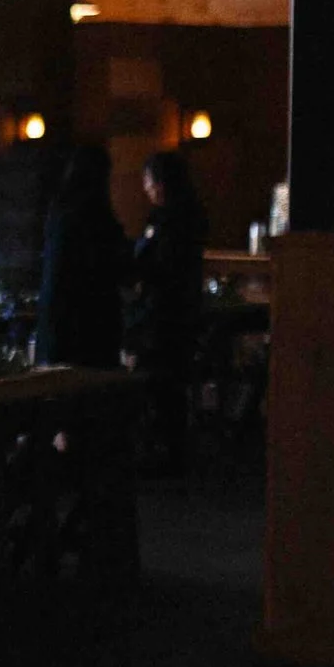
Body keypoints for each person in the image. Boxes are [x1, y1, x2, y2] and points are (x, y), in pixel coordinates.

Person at [129, 150, 208, 472]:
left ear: (160, 183)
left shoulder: (168, 221)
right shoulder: (189, 217)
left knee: (160, 383)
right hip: (179, 310)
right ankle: (170, 448)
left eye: (149, 182)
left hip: (163, 313)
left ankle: (163, 450)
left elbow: (159, 267)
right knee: (170, 384)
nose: (146, 189)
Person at [35, 145, 128, 368]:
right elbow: (114, 265)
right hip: (94, 322)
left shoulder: (59, 210)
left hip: (57, 318)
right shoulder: (98, 216)